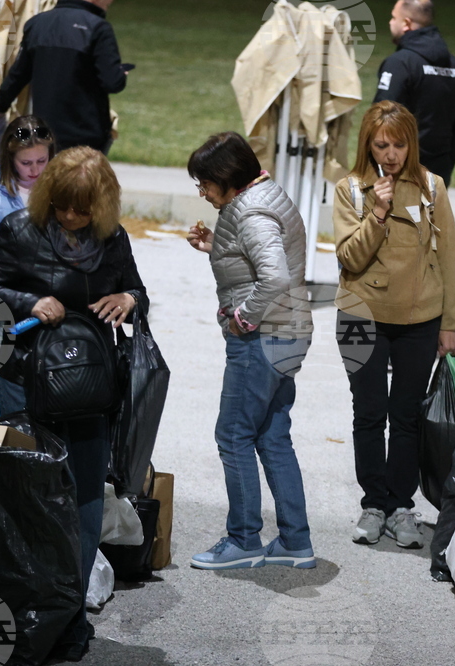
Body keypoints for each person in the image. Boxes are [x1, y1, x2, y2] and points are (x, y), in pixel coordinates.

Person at [0, 146, 147, 660]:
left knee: (86, 501)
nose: (71, 216)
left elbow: (136, 287)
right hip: (27, 385)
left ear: (101, 205)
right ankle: (27, 612)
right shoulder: (21, 230)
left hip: (89, 392)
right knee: (29, 498)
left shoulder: (112, 239)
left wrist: (130, 299)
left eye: (82, 209)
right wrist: (28, 301)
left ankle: (69, 618)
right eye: (64, 205)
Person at [185, 132, 316, 571]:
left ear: (226, 178)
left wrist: (244, 317)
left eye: (204, 183)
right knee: (272, 435)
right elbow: (260, 258)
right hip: (289, 333)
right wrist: (213, 247)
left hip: (263, 338)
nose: (201, 192)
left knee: (233, 435)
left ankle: (243, 540)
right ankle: (296, 542)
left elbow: (274, 276)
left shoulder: (253, 211)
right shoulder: (262, 196)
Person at [333, 100, 455, 549]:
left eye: (399, 145)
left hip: (418, 318)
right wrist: (378, 213)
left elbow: (448, 259)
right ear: (368, 144)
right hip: (359, 314)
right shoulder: (350, 189)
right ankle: (373, 502)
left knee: (406, 416)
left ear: (411, 144)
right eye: (381, 144)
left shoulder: (431, 186)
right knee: (368, 412)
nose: (390, 154)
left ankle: (400, 505)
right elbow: (349, 256)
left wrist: (450, 323)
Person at [0, 0, 129, 154]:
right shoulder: (98, 28)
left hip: (44, 135)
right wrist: (120, 73)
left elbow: (18, 74)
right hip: (85, 137)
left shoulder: (37, 24)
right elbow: (113, 82)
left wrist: (0, 106)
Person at [373, 0, 455, 187]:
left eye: (394, 17)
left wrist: (377, 172)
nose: (390, 22)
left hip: (397, 175)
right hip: (438, 175)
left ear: (406, 24)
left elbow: (380, 121)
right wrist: (445, 172)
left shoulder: (399, 64)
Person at [0, 115, 55, 269]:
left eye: (42, 161)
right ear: (10, 158)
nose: (35, 170)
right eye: (26, 163)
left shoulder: (61, 189)